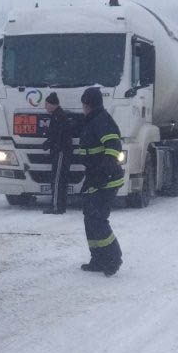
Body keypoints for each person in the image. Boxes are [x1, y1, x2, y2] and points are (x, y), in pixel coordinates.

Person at [74, 86, 124, 274]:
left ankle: (113, 259)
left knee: (98, 219)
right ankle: (98, 259)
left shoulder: (102, 121)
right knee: (90, 218)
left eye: (84, 105)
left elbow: (113, 145)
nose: (83, 108)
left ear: (88, 104)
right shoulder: (92, 120)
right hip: (94, 176)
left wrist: (105, 170)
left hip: (106, 178)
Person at [41, 92, 71, 214]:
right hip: (61, 151)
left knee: (57, 180)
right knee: (60, 179)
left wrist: (51, 144)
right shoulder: (58, 116)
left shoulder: (59, 117)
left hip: (60, 152)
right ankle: (60, 205)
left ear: (53, 104)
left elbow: (58, 136)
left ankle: (56, 206)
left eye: (47, 104)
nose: (45, 107)